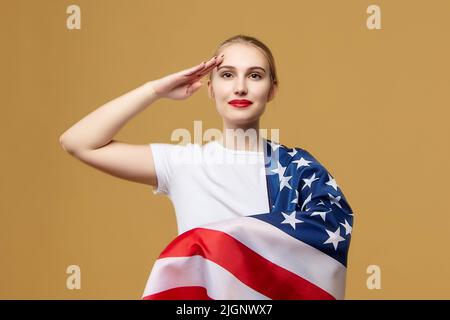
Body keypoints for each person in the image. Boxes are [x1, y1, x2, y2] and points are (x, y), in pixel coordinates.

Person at [60, 35, 354, 300]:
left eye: (255, 75)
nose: (240, 87)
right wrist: (154, 90)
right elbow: (77, 142)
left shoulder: (297, 169)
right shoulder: (184, 163)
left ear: (272, 89)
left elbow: (322, 248)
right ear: (210, 89)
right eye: (227, 75)